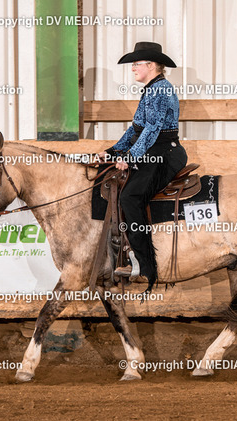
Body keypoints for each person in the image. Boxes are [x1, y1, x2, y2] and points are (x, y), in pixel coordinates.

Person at [97, 41, 187, 288]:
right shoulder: (152, 90)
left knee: (131, 197)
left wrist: (129, 157)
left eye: (137, 64)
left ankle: (145, 264)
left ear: (151, 65)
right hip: (154, 151)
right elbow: (136, 129)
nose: (133, 68)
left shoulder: (160, 90)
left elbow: (152, 129)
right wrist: (113, 152)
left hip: (165, 153)